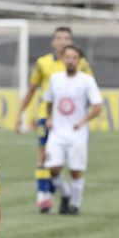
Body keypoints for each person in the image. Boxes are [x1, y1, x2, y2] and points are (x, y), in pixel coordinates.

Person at [14, 26, 93, 213]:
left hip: (71, 121)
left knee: (67, 163)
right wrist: (20, 114)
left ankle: (63, 194)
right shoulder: (43, 63)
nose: (62, 41)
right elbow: (32, 90)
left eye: (66, 38)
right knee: (43, 154)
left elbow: (88, 90)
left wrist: (82, 118)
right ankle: (44, 195)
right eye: (59, 37)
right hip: (46, 116)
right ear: (53, 41)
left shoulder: (81, 64)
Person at [43, 45, 103, 215]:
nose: (70, 60)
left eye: (74, 57)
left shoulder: (86, 80)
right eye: (67, 57)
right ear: (63, 59)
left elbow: (98, 106)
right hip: (57, 133)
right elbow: (48, 100)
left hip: (77, 134)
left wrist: (82, 121)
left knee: (76, 171)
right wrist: (49, 118)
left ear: (79, 60)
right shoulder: (55, 79)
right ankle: (66, 194)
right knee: (53, 169)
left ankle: (75, 205)